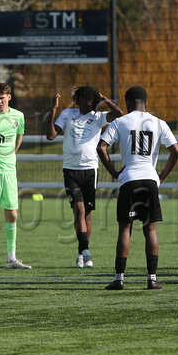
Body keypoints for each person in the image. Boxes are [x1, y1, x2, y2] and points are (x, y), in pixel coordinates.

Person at [97, 86, 178, 290]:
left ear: (127, 102)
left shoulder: (120, 121)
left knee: (125, 229)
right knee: (150, 229)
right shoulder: (159, 123)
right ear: (146, 102)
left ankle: (119, 279)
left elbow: (101, 147)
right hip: (150, 179)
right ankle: (152, 279)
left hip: (129, 180)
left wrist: (114, 172)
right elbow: (176, 152)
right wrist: (160, 177)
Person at [46, 86, 122, 268]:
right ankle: (87, 252)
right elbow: (50, 135)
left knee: (87, 214)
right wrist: (53, 109)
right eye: (87, 102)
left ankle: (81, 252)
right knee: (78, 210)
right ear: (78, 100)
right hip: (70, 170)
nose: (89, 105)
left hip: (90, 170)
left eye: (93, 103)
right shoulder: (66, 114)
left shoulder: (97, 117)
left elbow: (118, 114)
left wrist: (103, 97)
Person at [0, 83, 31, 270]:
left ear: (9, 97)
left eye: (2, 98)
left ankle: (11, 258)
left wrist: (10, 155)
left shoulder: (19, 116)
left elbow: (19, 138)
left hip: (9, 172)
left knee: (13, 214)